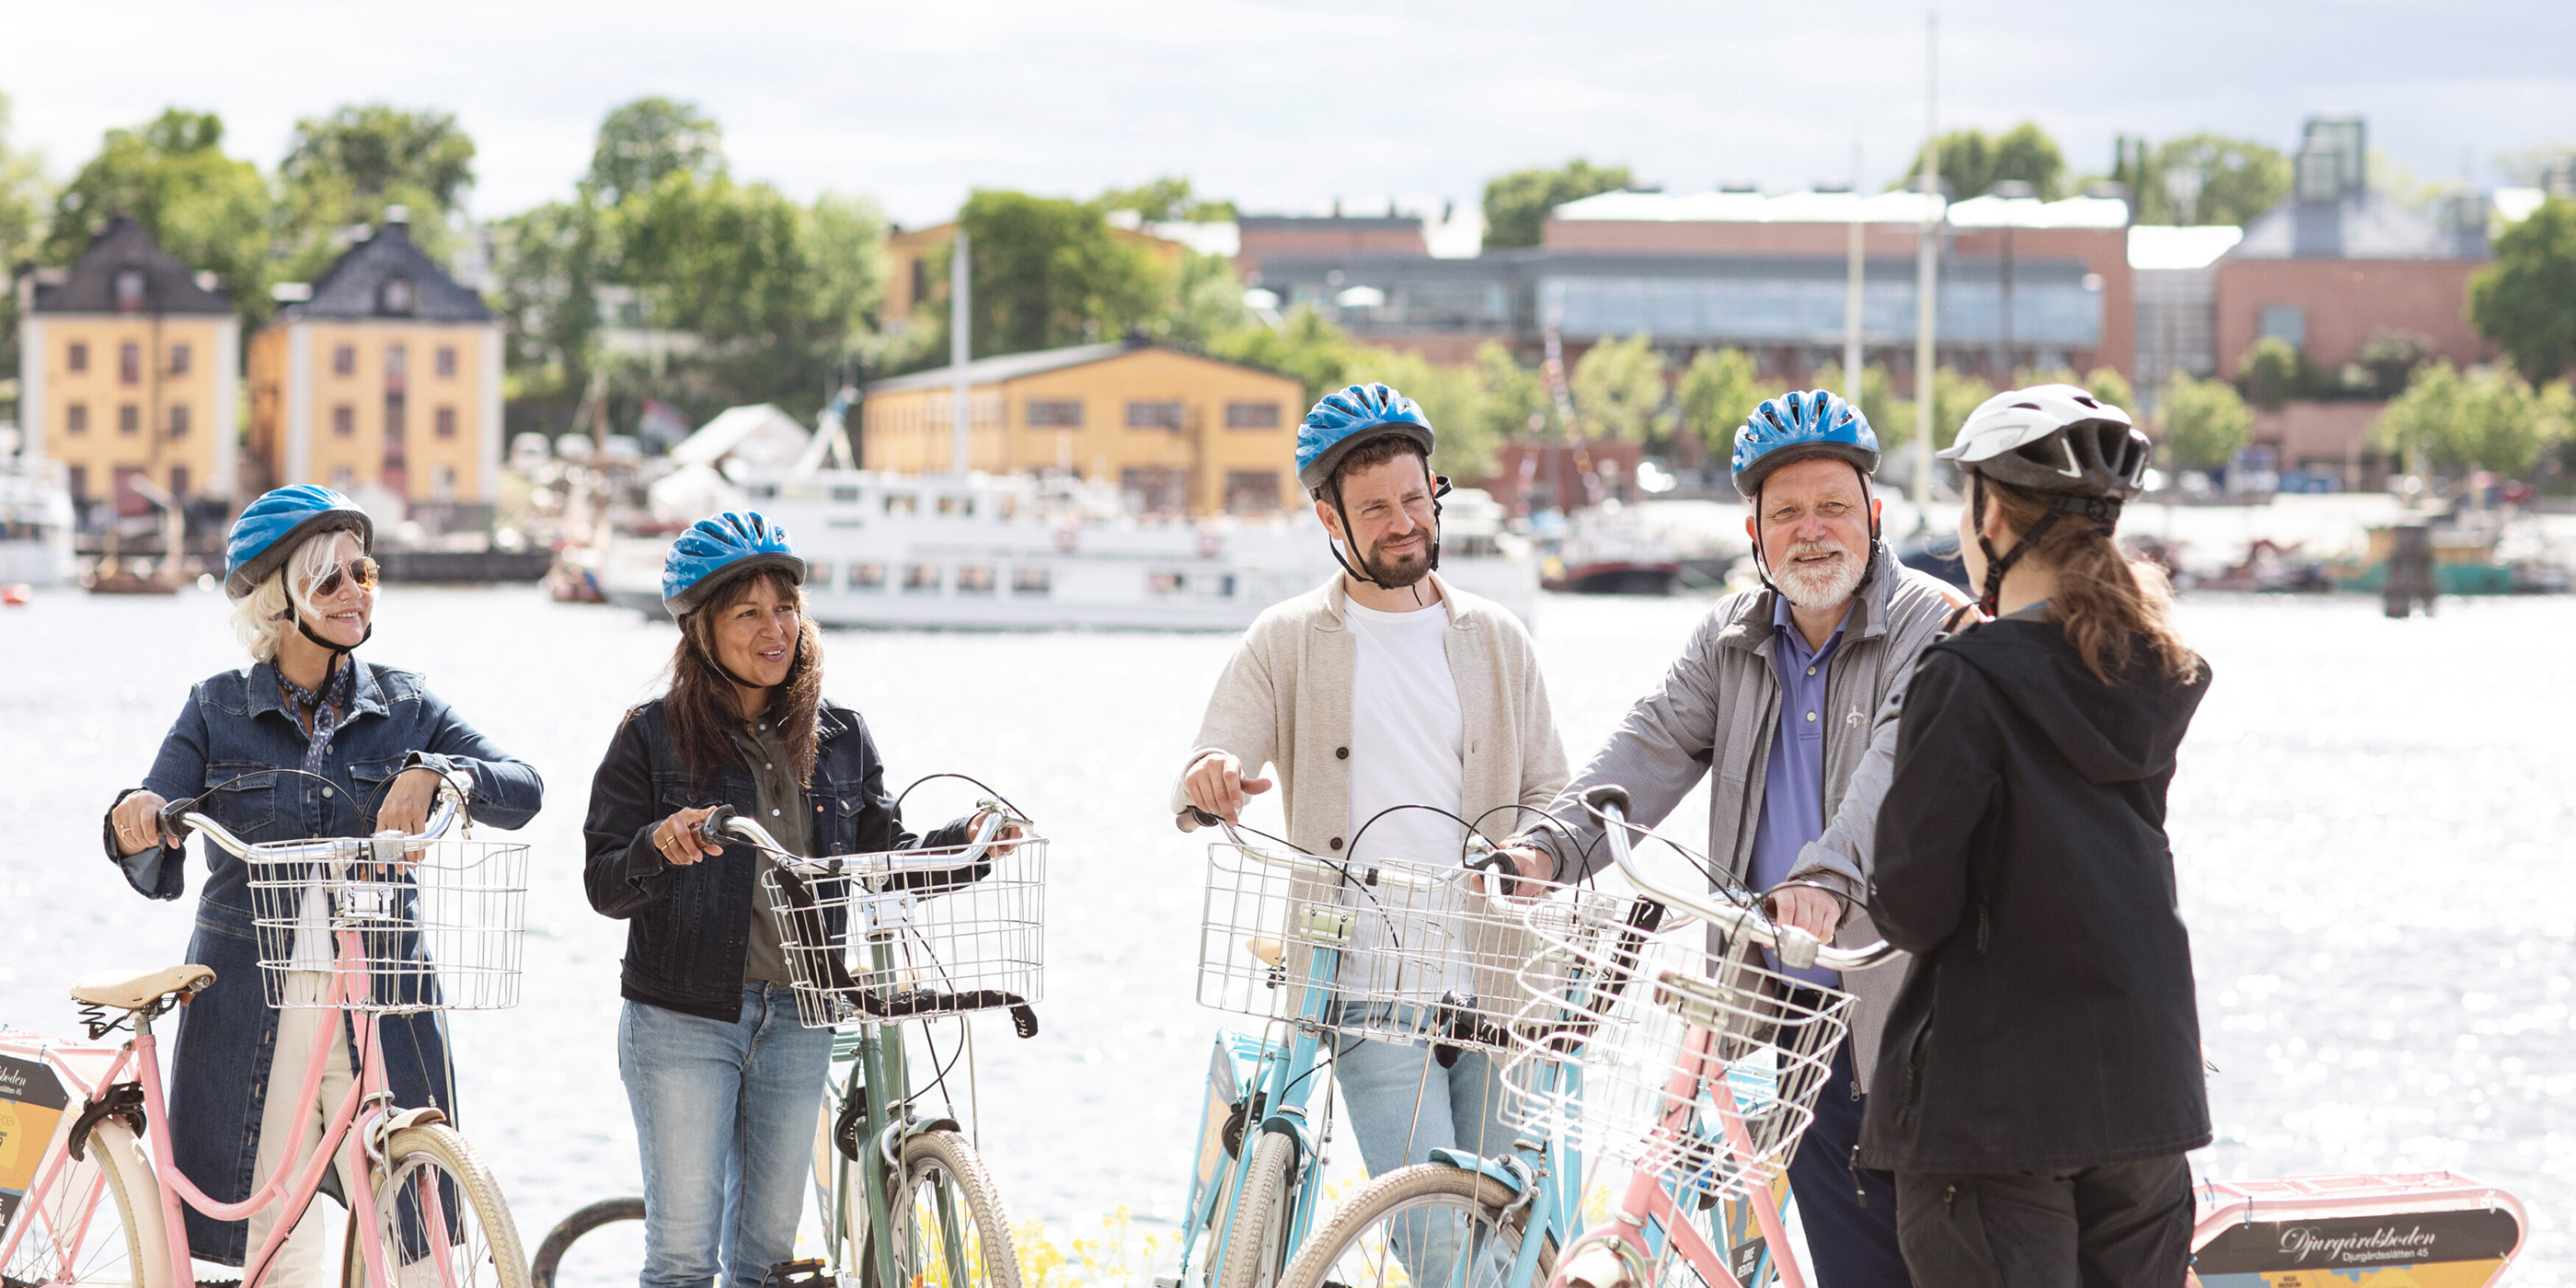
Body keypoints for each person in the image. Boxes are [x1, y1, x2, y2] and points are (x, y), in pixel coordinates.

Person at [1503, 390, 1964, 1288]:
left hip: (1919, 1015)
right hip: (1796, 1011)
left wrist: (1826, 876)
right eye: (1784, 512)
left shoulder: (1933, 622)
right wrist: (1544, 851)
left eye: (1832, 506)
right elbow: (1649, 746)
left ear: (1874, 516)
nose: (1811, 531)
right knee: (1846, 1265)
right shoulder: (1731, 635)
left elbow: (1898, 764)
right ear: (1754, 534)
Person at [103, 484, 544, 1284]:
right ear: (281, 597)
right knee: (277, 1240)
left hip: (380, 988)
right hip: (249, 998)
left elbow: (523, 784)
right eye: (331, 579)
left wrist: (439, 773)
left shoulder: (407, 706)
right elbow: (152, 818)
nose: (356, 594)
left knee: (420, 1240)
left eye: (365, 573)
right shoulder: (215, 709)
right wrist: (135, 816)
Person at [1172, 383, 1569, 1271]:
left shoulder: (1498, 638)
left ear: (1437, 494)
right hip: (1367, 991)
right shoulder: (1287, 638)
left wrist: (1538, 855)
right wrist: (1212, 778)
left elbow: (1554, 791)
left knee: (1513, 1241)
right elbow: (1211, 757)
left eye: (1415, 500)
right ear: (1329, 518)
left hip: (1500, 987)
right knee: (1435, 1246)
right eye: (1376, 507)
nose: (1403, 523)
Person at [583, 512, 1008, 1288]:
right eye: (747, 612)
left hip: (803, 1016)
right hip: (682, 1019)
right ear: (700, 631)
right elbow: (604, 881)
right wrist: (657, 844)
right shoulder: (650, 736)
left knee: (769, 1263)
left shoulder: (839, 735)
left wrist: (969, 844)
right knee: (681, 1260)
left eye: (785, 608)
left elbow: (883, 856)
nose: (774, 629)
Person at [1858, 385, 2213, 1286]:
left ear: (1991, 510)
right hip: (2144, 1086)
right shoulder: (2151, 670)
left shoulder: (1966, 676)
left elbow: (1912, 900)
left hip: (1994, 1101)